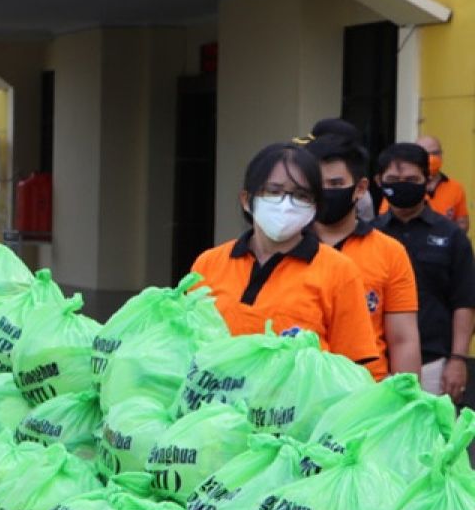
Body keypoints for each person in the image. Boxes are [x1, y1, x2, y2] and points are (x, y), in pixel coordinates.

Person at [191, 142, 380, 369]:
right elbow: (187, 345)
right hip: (214, 402)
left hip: (303, 403)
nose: (286, 204)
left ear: (315, 207)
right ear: (246, 200)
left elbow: (353, 367)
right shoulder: (209, 263)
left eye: (301, 195)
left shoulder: (338, 270)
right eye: (273, 191)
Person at [306, 131, 421, 381]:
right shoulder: (286, 248)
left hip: (366, 395)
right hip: (298, 398)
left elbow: (403, 339)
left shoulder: (389, 252)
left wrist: (408, 403)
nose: (326, 192)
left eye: (336, 184)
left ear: (360, 188)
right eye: (318, 184)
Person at [375, 142, 475, 402]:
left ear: (428, 181)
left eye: (411, 179)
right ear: (378, 181)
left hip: (434, 363)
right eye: (393, 180)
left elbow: (464, 302)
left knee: (432, 439)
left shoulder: (451, 236)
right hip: (375, 365)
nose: (403, 185)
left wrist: (458, 359)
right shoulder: (368, 235)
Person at [416, 134, 470, 231]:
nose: (431, 158)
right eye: (425, 154)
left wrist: (448, 226)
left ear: (441, 155)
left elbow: (463, 225)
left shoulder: (455, 187)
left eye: (435, 153)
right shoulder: (405, 185)